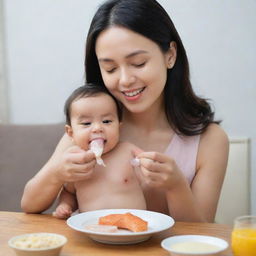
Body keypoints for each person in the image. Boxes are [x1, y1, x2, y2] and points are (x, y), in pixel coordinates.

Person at [21, 0, 229, 222]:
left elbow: (202, 234)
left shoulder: (209, 141)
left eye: (138, 63)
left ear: (170, 55)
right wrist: (56, 173)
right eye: (110, 68)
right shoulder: (91, 130)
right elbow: (30, 205)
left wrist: (176, 185)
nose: (125, 80)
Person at [52, 84, 146, 219]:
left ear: (119, 127)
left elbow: (150, 177)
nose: (97, 128)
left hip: (132, 226)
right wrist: (65, 206)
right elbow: (68, 192)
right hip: (92, 228)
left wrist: (150, 167)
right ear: (71, 133)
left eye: (106, 121)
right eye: (86, 123)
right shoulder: (76, 162)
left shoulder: (128, 151)